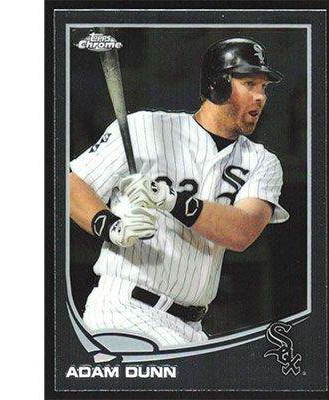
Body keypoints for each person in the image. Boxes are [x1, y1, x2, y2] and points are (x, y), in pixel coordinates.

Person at [69, 37, 290, 347]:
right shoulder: (145, 128)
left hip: (191, 327)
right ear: (217, 84)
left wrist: (170, 199)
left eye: (263, 87)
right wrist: (111, 226)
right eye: (249, 83)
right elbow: (72, 186)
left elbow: (242, 231)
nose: (260, 96)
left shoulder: (262, 162)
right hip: (123, 309)